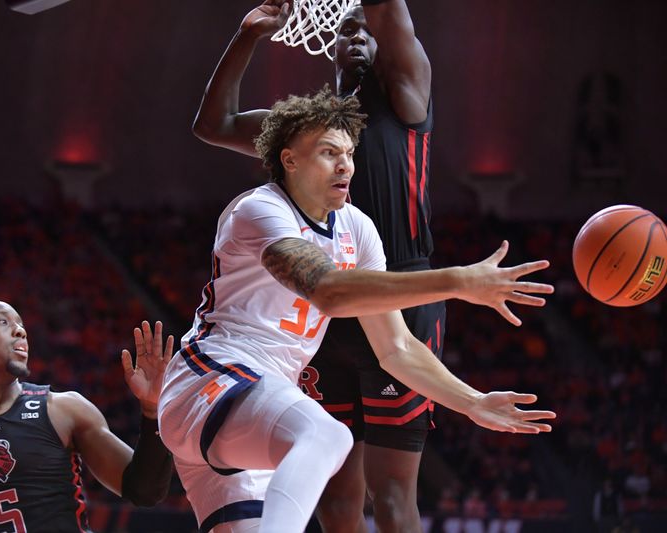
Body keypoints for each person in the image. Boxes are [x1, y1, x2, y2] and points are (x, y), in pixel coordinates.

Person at [161, 88, 555, 533]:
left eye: (348, 153)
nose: (346, 164)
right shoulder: (260, 209)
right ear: (289, 161)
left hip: (251, 416)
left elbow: (398, 348)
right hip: (213, 381)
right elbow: (328, 291)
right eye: (329, 153)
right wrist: (459, 281)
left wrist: (473, 402)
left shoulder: (356, 226)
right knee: (328, 436)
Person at [191, 1, 467, 530]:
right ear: (328, 46)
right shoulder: (303, 132)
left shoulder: (405, 92)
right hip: (325, 307)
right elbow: (214, 123)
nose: (360, 36)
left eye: (369, 30)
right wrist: (248, 35)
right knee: (336, 500)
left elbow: (385, 9)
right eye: (347, 30)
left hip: (398, 299)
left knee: (392, 497)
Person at [0, 300, 174, 532]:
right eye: (3, 322)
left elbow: (146, 490)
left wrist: (152, 411)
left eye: (21, 325)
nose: (21, 331)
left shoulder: (64, 408)